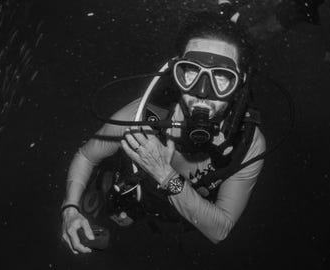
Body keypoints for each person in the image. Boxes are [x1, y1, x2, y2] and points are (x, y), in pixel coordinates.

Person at [60, 11, 266, 254]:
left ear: (240, 83)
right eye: (190, 72)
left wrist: (163, 173)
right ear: (175, 72)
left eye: (222, 77)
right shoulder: (143, 117)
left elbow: (220, 229)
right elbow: (86, 156)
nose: (202, 91)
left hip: (174, 224)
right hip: (132, 197)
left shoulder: (247, 143)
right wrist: (69, 210)